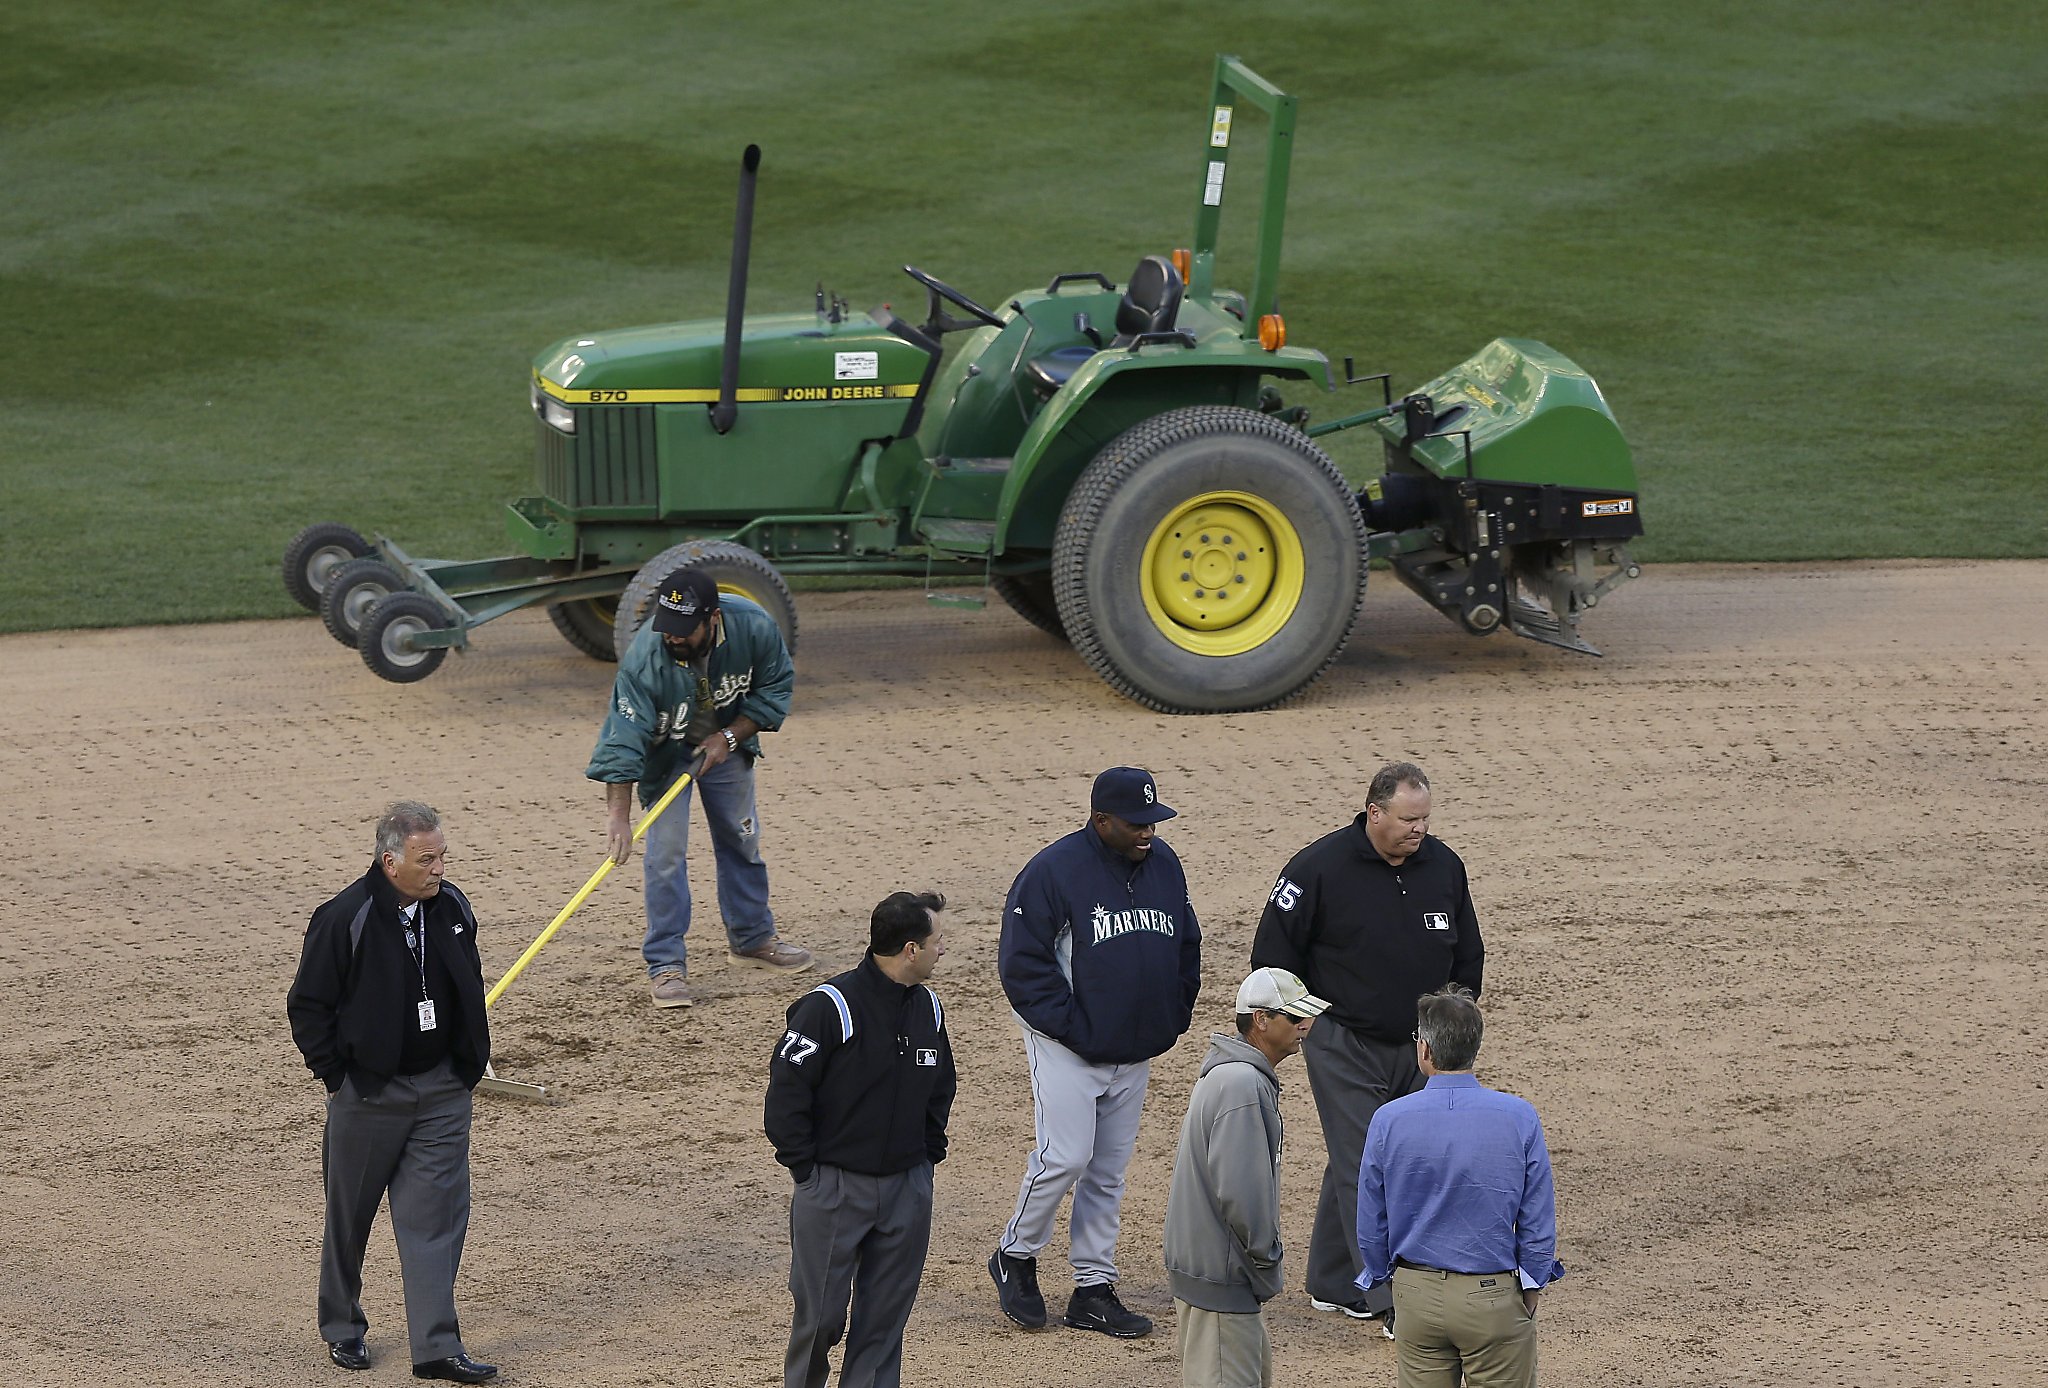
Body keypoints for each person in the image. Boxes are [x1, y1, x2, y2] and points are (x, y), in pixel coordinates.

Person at [1248, 761, 1482, 1332]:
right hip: (1342, 1039)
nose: (1418, 830)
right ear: (1374, 811)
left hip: (1419, 1044)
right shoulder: (1317, 867)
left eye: (1425, 819)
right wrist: (1299, 1024)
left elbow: (1467, 951)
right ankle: (1386, 1299)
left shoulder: (1444, 866)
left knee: (1363, 1157)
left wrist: (1451, 1024)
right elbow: (1273, 954)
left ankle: (1332, 1280)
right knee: (1371, 1163)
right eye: (1407, 819)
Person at [285, 802, 498, 1383]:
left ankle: (434, 1346)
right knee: (349, 1217)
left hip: (443, 1092)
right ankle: (343, 1327)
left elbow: (467, 982)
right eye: (426, 859)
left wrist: (466, 1066)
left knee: (437, 1219)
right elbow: (308, 1006)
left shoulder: (452, 907)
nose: (438, 868)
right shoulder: (343, 918)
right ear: (389, 861)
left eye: (442, 856)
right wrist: (339, 1078)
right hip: (369, 1095)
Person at [988, 767, 1202, 1339]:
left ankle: (1093, 1288)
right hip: (1067, 1046)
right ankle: (1016, 1254)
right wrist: (1075, 1029)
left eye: (1154, 822)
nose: (1148, 833)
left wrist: (1170, 1015)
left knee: (1107, 1171)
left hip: (1135, 1046)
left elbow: (1186, 944)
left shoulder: (1164, 865)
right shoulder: (1054, 872)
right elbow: (1022, 966)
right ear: (1101, 820)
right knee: (1065, 1156)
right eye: (1136, 824)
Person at [587, 565, 811, 1009]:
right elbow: (622, 736)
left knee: (742, 839)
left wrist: (729, 738)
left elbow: (774, 687)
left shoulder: (754, 627)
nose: (672, 637)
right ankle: (666, 964)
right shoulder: (646, 656)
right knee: (666, 856)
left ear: (713, 618)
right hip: (667, 755)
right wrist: (618, 814)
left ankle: (751, 938)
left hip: (726, 742)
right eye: (667, 627)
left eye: (684, 630)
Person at [765, 891, 957, 1388]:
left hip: (907, 1189)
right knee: (821, 1321)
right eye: (939, 942)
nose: (944, 950)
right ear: (911, 949)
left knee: (882, 1326)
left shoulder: (929, 1010)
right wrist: (807, 1173)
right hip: (833, 1188)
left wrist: (925, 1161)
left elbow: (942, 1087)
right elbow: (787, 1093)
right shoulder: (828, 1008)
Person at [1356, 986, 1562, 1388]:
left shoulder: (1388, 1120)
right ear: (1474, 1048)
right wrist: (1532, 1286)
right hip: (1493, 1296)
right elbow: (1537, 1219)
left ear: (1426, 1050)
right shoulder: (1519, 1117)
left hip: (1416, 1294)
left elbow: (1370, 1218)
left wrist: (1385, 1277)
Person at [1164, 968, 1329, 1388]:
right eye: (1294, 1018)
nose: (1304, 1026)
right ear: (1260, 1019)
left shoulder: (1237, 1074)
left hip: (1221, 1273)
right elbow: (1241, 1192)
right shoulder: (1240, 1083)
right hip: (1223, 1276)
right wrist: (1265, 1255)